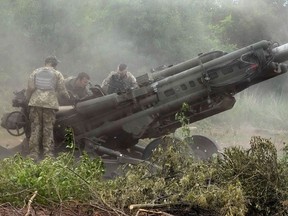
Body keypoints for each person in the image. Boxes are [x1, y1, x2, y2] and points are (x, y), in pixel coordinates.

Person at [26, 56, 70, 160]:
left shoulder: (35, 72)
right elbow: (62, 90)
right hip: (49, 103)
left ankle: (33, 154)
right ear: (55, 64)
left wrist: (28, 99)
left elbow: (30, 88)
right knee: (48, 128)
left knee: (35, 128)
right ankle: (48, 154)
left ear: (45, 63)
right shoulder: (57, 74)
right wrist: (69, 97)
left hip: (35, 102)